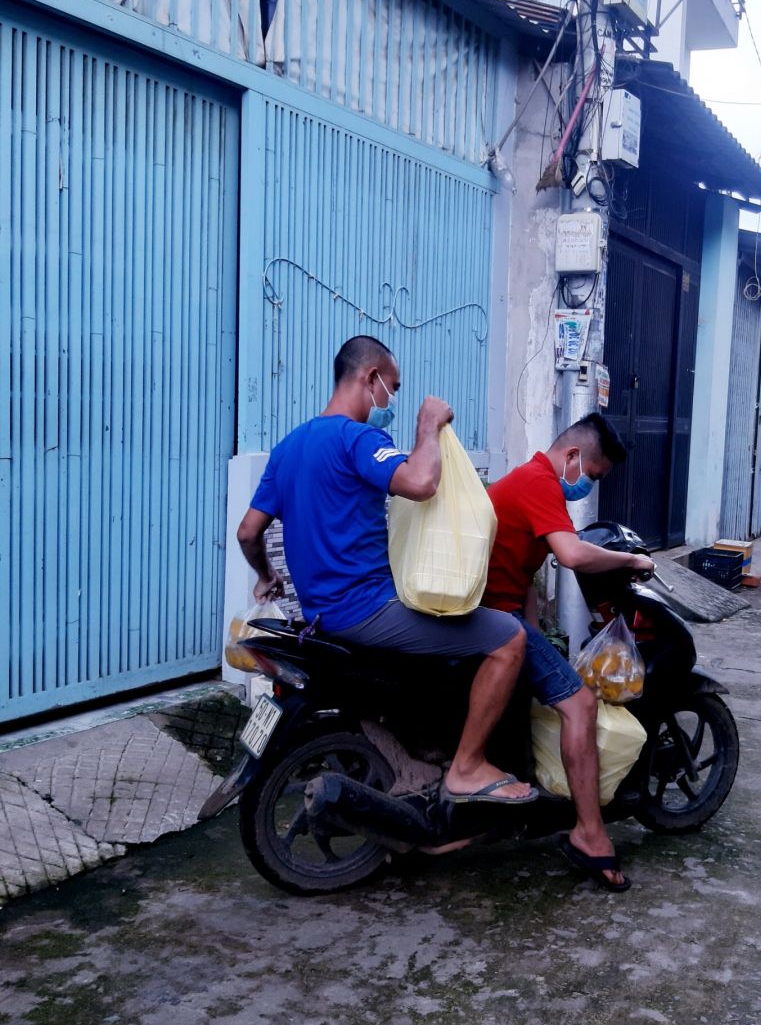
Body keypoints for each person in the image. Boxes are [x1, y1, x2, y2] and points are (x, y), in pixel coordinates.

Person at [236, 335, 534, 806]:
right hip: (368, 610)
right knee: (509, 638)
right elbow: (420, 482)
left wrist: (265, 575)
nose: (391, 401)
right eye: (392, 389)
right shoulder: (358, 439)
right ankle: (467, 768)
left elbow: (247, 533)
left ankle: (424, 754)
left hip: (320, 618)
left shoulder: (288, 448)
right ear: (371, 378)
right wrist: (428, 424)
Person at [483, 414, 655, 892]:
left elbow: (524, 576)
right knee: (580, 704)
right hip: (495, 619)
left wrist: (540, 641)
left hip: (502, 614)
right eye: (593, 475)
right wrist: (633, 559)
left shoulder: (529, 481)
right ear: (573, 457)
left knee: (554, 687)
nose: (588, 485)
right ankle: (590, 835)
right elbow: (573, 554)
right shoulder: (539, 482)